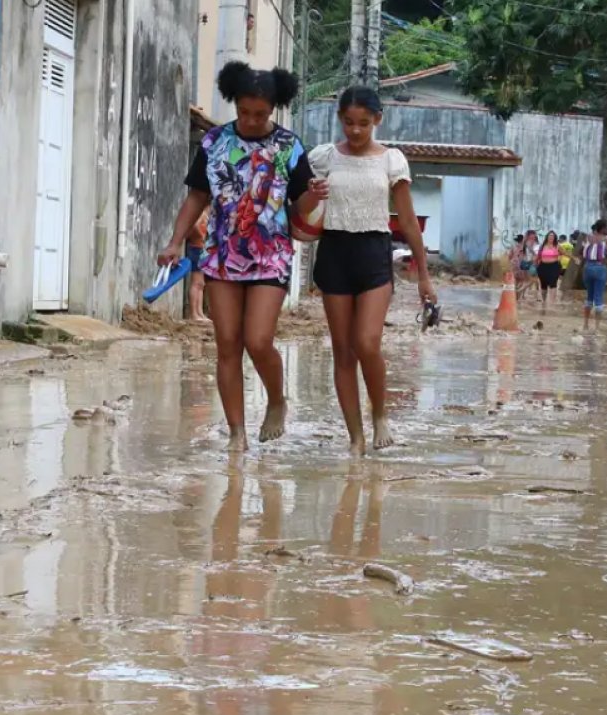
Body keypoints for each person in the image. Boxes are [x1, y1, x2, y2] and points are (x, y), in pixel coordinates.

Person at [159, 61, 327, 451]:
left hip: (272, 255)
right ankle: (237, 433)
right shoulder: (214, 142)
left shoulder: (289, 145)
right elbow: (197, 196)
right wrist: (174, 241)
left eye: (261, 114)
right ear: (235, 104)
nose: (251, 121)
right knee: (228, 343)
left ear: (273, 110)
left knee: (258, 339)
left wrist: (313, 196)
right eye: (244, 113)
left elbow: (300, 204)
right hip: (221, 255)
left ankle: (277, 400)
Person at [303, 86, 436, 454]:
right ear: (339, 119)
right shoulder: (323, 157)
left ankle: (379, 415)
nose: (356, 131)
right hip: (334, 252)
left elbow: (408, 222)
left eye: (363, 123)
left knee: (366, 342)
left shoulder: (392, 160)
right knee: (343, 351)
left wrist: (424, 275)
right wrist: (311, 194)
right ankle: (355, 438)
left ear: (377, 119)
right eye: (348, 122)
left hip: (375, 252)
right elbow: (299, 207)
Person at [582, 219, 607, 330]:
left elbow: (583, 254)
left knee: (589, 297)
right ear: (603, 228)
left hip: (587, 268)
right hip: (600, 268)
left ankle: (585, 325)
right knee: (599, 298)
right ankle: (597, 327)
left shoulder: (588, 237)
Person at [185, 207, 209, 322]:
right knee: (196, 283)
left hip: (202, 249)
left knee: (201, 284)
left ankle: (199, 312)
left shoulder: (205, 214)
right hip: (196, 248)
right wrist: (201, 236)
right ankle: (194, 313)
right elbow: (193, 227)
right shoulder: (200, 213)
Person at [536, 230, 561, 308]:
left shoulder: (557, 246)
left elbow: (566, 253)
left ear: (555, 237)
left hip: (554, 266)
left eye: (553, 236)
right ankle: (544, 302)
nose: (551, 237)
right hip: (543, 267)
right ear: (547, 237)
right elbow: (538, 256)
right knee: (543, 285)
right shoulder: (542, 246)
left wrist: (574, 258)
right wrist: (533, 263)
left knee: (553, 283)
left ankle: (552, 304)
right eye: (550, 236)